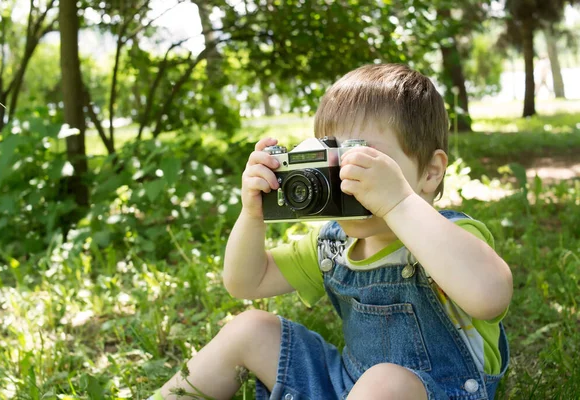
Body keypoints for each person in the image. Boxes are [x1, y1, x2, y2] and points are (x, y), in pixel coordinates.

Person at [152, 63, 513, 400]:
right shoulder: (332, 244)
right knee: (250, 328)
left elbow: (490, 296)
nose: (345, 179)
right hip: (347, 382)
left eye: (362, 161)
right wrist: (252, 215)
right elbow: (246, 282)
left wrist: (398, 202)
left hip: (436, 390)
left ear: (431, 172)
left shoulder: (449, 236)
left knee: (385, 380)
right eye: (334, 160)